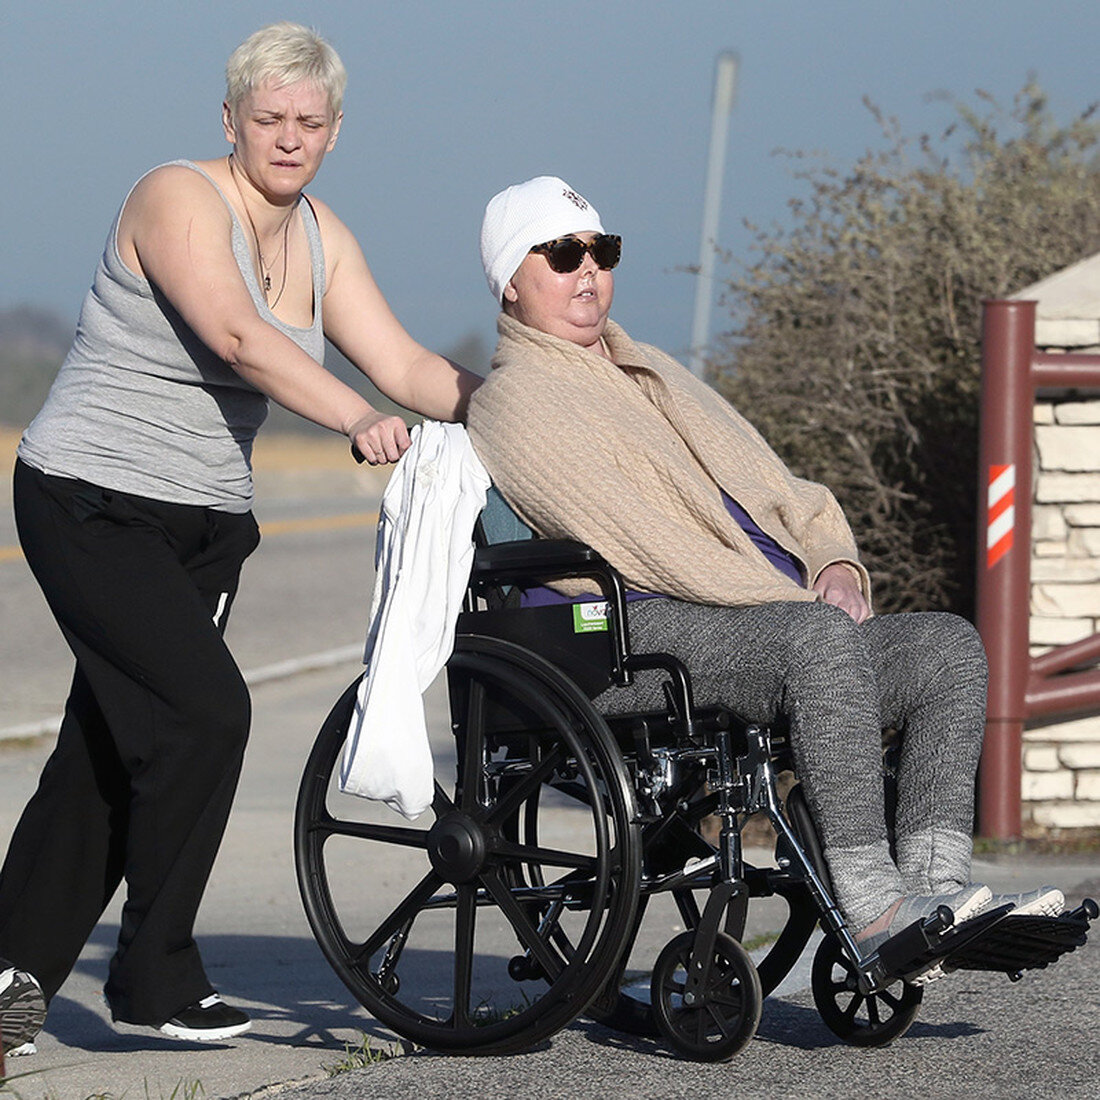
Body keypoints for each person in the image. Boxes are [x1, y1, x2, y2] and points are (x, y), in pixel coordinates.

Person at [0, 23, 480, 1054]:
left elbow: (402, 363)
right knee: (205, 713)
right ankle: (153, 970)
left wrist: (522, 409)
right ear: (231, 120)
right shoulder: (177, 196)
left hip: (206, 525)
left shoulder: (322, 238)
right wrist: (350, 416)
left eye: (309, 121)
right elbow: (237, 335)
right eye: (268, 118)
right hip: (91, 500)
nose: (288, 137)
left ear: (335, 131)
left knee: (104, 747)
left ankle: (10, 971)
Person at [466, 175, 1062, 977]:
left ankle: (935, 894)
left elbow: (789, 495)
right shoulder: (518, 401)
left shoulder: (653, 371)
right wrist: (796, 603)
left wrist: (836, 562)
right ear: (511, 279)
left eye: (601, 253)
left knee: (945, 649)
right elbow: (651, 548)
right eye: (562, 253)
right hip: (636, 634)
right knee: (816, 639)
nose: (588, 272)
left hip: (762, 617)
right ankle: (876, 908)